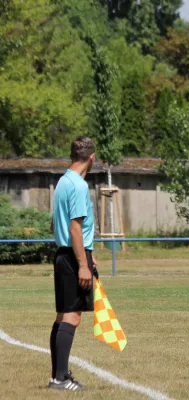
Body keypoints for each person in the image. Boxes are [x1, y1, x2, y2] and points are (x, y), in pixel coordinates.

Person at [48, 136, 97, 390]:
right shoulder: (78, 185)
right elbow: (75, 228)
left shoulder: (62, 182)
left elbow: (55, 224)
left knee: (61, 317)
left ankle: (58, 374)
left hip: (64, 254)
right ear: (92, 157)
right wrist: (83, 264)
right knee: (72, 316)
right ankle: (60, 379)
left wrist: (88, 253)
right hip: (72, 256)